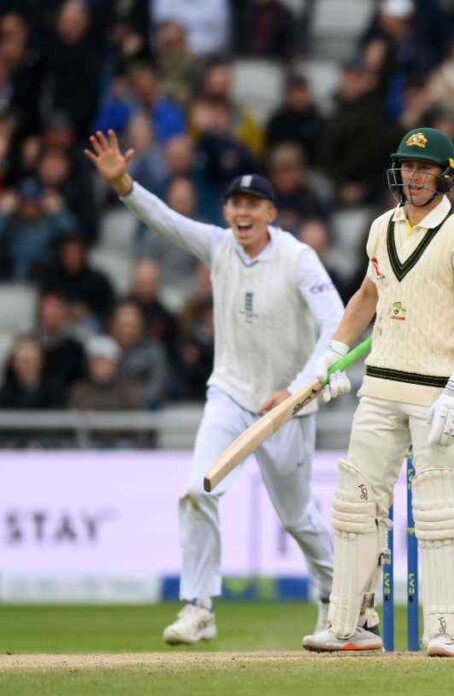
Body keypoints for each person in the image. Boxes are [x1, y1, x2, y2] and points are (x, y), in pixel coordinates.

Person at [84, 130, 343, 646]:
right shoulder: (219, 245)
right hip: (229, 393)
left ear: (271, 212)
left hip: (287, 405)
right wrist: (124, 185)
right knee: (196, 489)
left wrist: (295, 392)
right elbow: (167, 222)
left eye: (252, 204)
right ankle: (198, 607)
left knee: (297, 519)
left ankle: (337, 599)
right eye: (233, 203)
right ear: (226, 211)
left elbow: (336, 326)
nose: (241, 212)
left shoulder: (298, 258)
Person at [302, 127, 454, 658]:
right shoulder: (381, 226)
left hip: (436, 393)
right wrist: (332, 351)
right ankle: (349, 625)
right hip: (380, 387)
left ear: (445, 175)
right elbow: (367, 295)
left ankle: (447, 630)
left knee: (439, 512)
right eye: (408, 168)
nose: (413, 177)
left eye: (424, 168)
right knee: (355, 505)